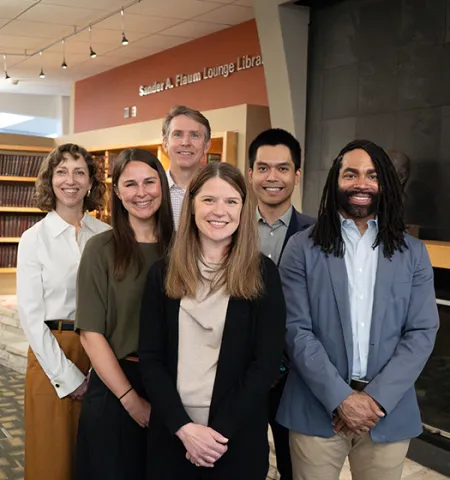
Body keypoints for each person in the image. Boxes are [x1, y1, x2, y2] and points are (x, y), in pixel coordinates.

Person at [277, 139, 439, 480]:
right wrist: (341, 399)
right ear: (335, 181)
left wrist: (375, 400)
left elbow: (422, 331)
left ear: (386, 184)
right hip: (316, 407)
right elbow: (294, 329)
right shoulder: (301, 248)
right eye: (350, 174)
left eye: (372, 175)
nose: (361, 184)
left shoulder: (413, 253)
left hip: (388, 411)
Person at [139, 162, 286, 479]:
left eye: (231, 201)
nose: (220, 211)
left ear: (244, 210)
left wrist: (216, 434)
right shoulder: (161, 274)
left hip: (235, 438)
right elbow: (151, 360)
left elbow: (266, 364)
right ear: (191, 205)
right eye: (209, 200)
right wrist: (184, 428)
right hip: (172, 433)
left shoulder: (263, 274)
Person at [75, 148, 174, 479]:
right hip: (117, 388)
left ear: (163, 183)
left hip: (174, 390)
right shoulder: (100, 249)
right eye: (130, 184)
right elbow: (91, 333)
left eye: (150, 181)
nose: (141, 192)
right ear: (117, 191)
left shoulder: (183, 247)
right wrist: (130, 399)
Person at [16, 143, 110, 480]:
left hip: (102, 352)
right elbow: (29, 315)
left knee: (97, 458)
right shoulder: (33, 238)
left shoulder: (108, 236)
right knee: (52, 463)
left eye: (79, 172)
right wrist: (68, 376)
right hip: (51, 353)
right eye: (61, 171)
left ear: (90, 182)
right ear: (50, 180)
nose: (70, 180)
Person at [248, 128, 315, 480]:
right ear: (250, 174)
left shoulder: (318, 235)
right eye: (263, 168)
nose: (272, 177)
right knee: (243, 463)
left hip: (297, 376)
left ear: (297, 175)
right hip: (239, 373)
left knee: (295, 467)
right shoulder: (227, 225)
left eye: (283, 168)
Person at [162, 104, 211, 228]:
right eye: (177, 134)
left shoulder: (222, 191)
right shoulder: (152, 193)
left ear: (206, 145)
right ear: (165, 143)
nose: (185, 143)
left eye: (194, 135)